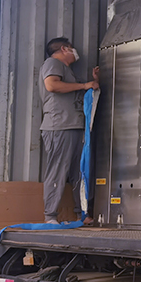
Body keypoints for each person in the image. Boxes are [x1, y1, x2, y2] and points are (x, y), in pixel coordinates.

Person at [38, 37, 98, 224]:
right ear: (64, 49)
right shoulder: (52, 63)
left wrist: (93, 83)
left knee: (79, 172)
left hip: (74, 126)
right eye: (72, 48)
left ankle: (82, 214)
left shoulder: (67, 71)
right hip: (59, 126)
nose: (75, 52)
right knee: (58, 170)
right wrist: (84, 85)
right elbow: (52, 85)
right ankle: (50, 216)